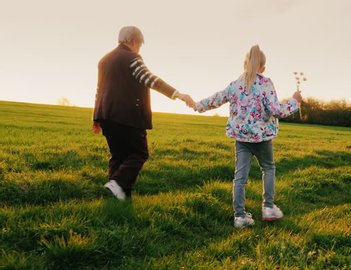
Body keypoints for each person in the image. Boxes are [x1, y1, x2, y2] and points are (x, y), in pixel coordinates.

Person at [194, 45, 302, 228]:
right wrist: (294, 101)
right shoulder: (266, 83)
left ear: (244, 64)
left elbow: (217, 98)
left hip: (241, 139)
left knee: (240, 177)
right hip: (262, 138)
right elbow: (277, 110)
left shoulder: (235, 85)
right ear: (263, 68)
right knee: (268, 168)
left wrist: (198, 105)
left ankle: (239, 217)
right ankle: (268, 207)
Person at [93, 26, 194, 201]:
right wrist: (177, 94)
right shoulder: (132, 58)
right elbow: (149, 79)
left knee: (118, 155)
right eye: (139, 45)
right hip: (127, 117)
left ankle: (119, 196)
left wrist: (96, 117)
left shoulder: (104, 60)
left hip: (106, 115)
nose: (139, 49)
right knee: (139, 153)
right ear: (133, 41)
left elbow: (99, 90)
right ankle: (116, 183)